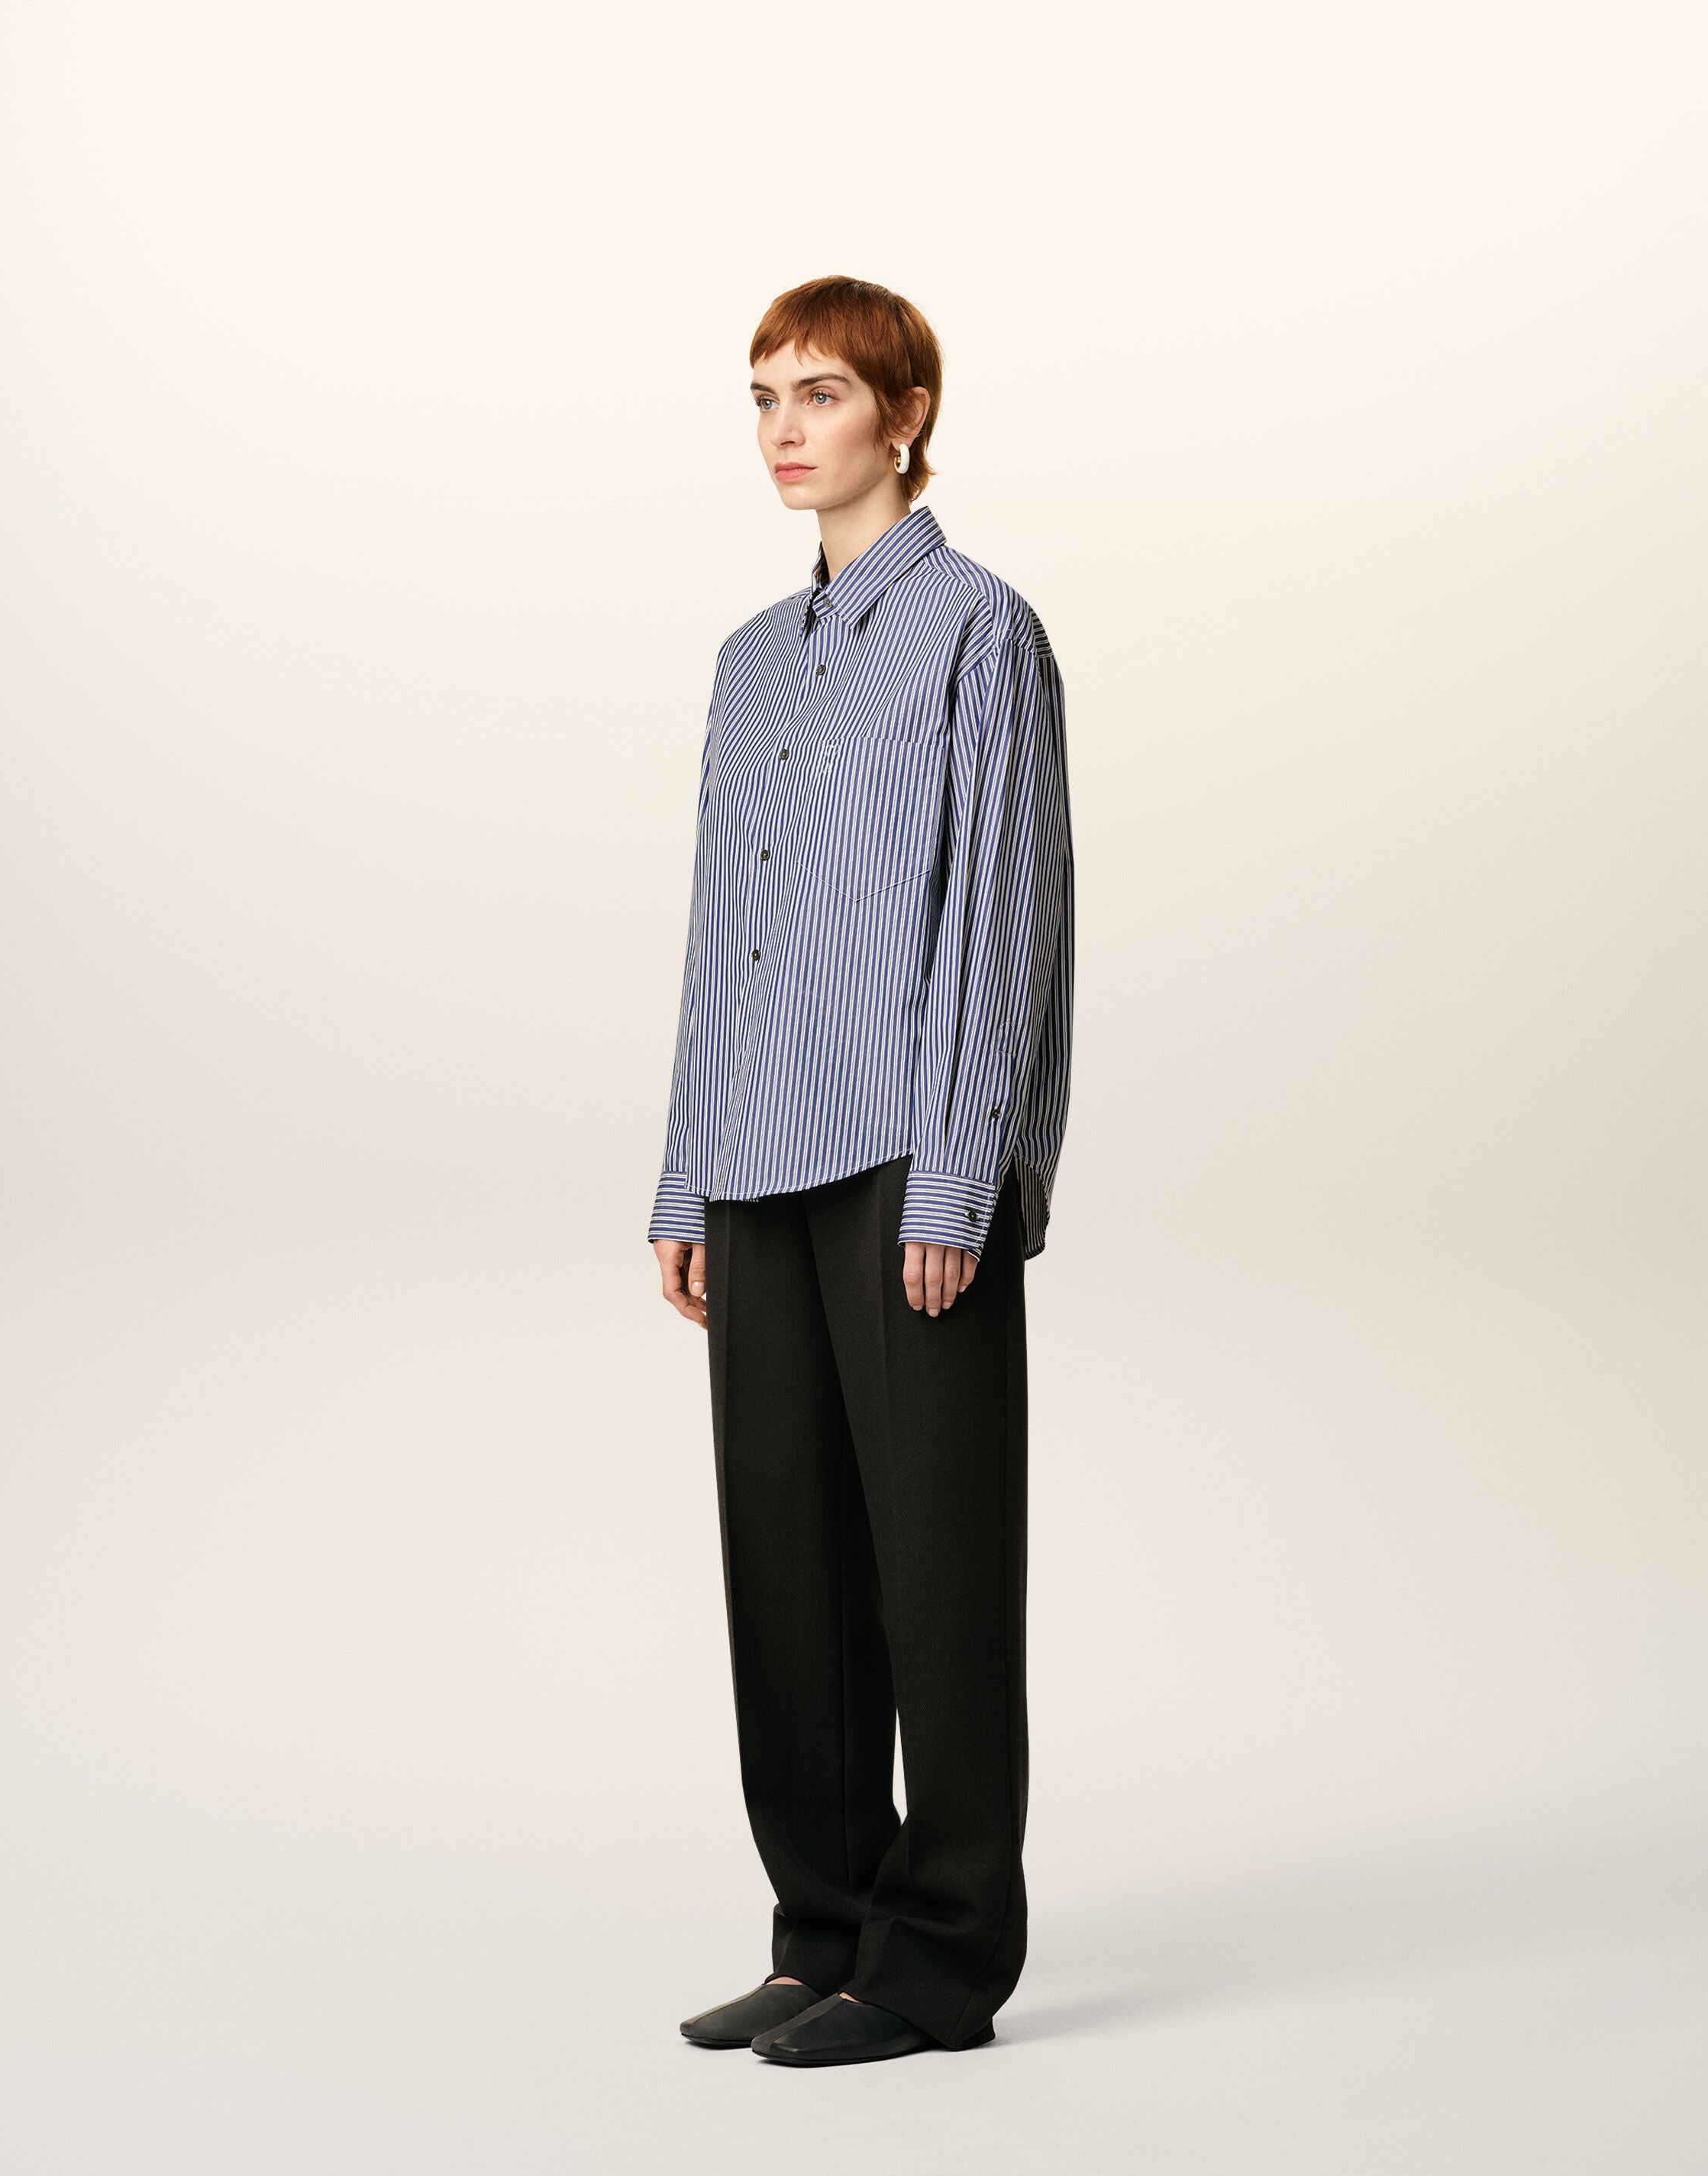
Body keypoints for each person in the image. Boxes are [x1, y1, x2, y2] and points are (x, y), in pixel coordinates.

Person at [648, 274, 1076, 2068]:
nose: (784, 429)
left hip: (910, 1158)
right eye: (763, 397)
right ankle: (821, 1928)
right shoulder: (752, 660)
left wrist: (962, 1180)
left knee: (938, 1567)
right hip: (758, 1154)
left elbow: (1001, 917)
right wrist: (686, 1176)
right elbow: (720, 927)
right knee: (788, 1564)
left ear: (905, 415)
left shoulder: (980, 630)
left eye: (820, 392)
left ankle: (939, 1959)